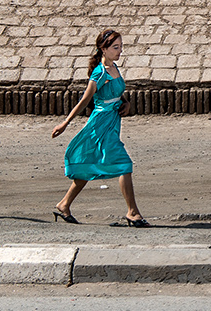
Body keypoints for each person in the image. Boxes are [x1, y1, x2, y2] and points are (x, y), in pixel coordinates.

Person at [50, 29, 149, 227]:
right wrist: (65, 123)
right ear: (103, 49)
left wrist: (125, 102)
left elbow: (116, 92)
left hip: (112, 123)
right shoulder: (100, 72)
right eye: (115, 47)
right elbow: (85, 100)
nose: (120, 51)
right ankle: (133, 213)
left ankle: (64, 204)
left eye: (121, 47)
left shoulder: (114, 68)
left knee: (89, 164)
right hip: (100, 124)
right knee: (124, 164)